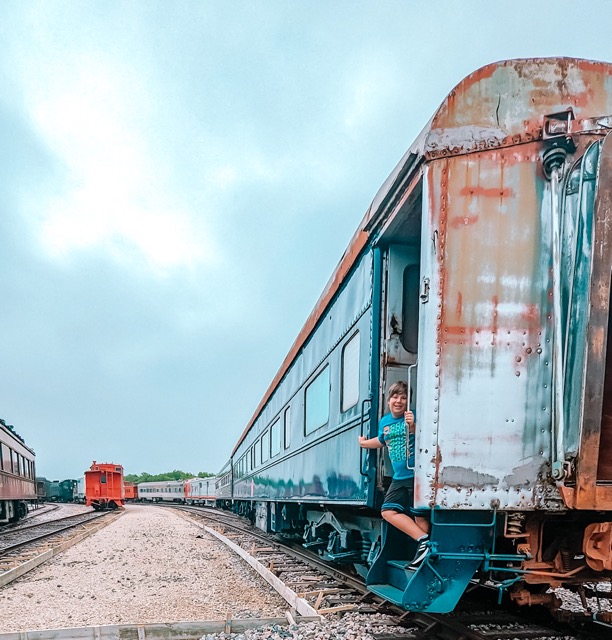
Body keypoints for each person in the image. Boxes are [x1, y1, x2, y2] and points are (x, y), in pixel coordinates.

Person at [358, 381, 429, 568]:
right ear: (388, 400)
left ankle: (422, 555)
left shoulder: (412, 417)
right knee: (388, 511)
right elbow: (382, 441)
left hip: (416, 474)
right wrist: (364, 444)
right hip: (399, 477)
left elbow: (422, 433)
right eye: (395, 397)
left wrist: (412, 425)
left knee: (419, 516)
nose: (399, 401)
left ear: (408, 401)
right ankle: (424, 542)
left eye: (404, 397)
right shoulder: (385, 422)